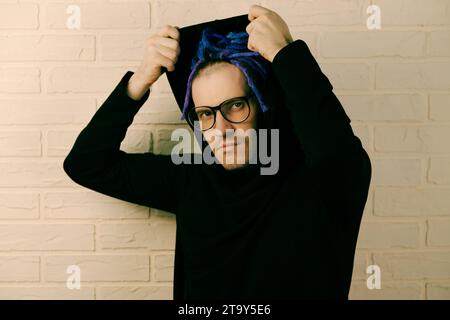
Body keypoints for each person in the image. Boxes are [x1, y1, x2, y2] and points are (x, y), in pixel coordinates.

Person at [63, 5, 372, 300]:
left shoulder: (320, 183)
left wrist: (285, 53)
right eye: (205, 114)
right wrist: (142, 77)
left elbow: (336, 150)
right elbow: (86, 163)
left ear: (265, 104)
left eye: (235, 105)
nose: (220, 130)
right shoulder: (191, 181)